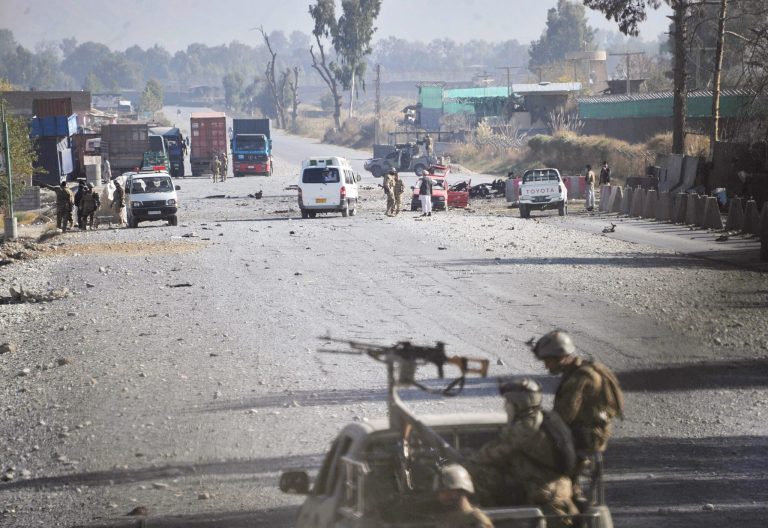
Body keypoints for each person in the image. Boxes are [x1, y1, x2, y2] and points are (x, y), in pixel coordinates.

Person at [530, 330, 624, 506]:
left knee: (534, 461)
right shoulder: (584, 369)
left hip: (585, 438)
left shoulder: (579, 378)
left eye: (548, 361)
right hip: (591, 433)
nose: (546, 366)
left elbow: (562, 417)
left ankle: (564, 504)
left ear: (561, 357)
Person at [471, 379, 578, 528]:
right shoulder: (543, 417)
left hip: (542, 489)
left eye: (508, 402)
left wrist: (468, 461)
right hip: (558, 485)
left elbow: (496, 452)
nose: (505, 406)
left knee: (482, 476)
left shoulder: (526, 427)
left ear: (517, 404)